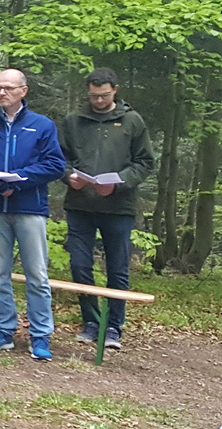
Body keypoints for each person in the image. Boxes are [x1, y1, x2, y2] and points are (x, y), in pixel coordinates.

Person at [0, 69, 66, 360]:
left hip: (30, 207)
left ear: (23, 91)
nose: (2, 92)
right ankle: (3, 331)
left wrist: (18, 180)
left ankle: (40, 336)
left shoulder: (42, 125)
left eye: (8, 88)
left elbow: (55, 164)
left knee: (37, 275)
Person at [60, 68, 154, 350]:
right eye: (93, 96)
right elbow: (59, 159)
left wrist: (119, 183)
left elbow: (144, 162)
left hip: (118, 207)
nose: (98, 101)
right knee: (79, 265)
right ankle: (91, 321)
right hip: (80, 205)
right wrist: (68, 177)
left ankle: (113, 326)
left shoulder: (132, 121)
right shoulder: (73, 121)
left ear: (115, 90)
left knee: (117, 268)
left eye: (103, 95)